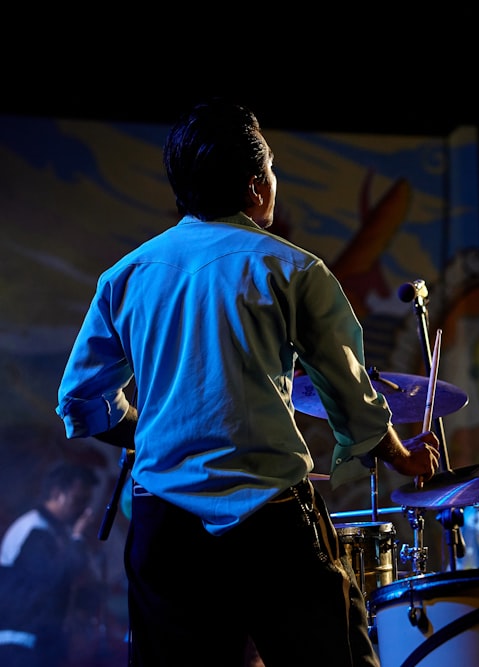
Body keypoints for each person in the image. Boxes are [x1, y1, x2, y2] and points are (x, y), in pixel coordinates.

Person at [54, 99, 440, 667]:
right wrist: (402, 455)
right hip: (269, 524)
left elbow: (82, 402)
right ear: (259, 187)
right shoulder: (292, 269)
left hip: (164, 529)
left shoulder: (128, 275)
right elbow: (351, 396)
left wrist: (153, 430)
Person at [0, 461, 101, 667]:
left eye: (86, 502)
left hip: (41, 644)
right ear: (56, 494)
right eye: (78, 500)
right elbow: (54, 578)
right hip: (20, 645)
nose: (83, 510)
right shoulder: (34, 530)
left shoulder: (56, 532)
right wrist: (78, 540)